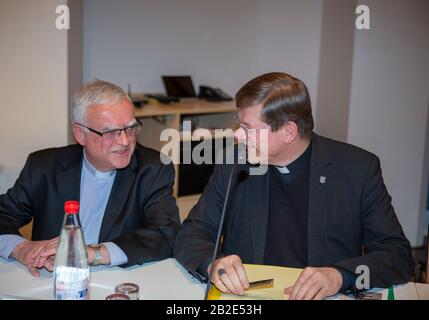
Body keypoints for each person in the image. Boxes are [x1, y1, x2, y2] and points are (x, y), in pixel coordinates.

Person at [174, 72, 415, 300]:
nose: (237, 136)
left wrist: (340, 276)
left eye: (248, 128)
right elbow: (191, 233)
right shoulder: (234, 163)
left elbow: (398, 257)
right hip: (249, 297)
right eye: (239, 125)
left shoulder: (357, 170)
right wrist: (213, 263)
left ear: (288, 131)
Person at [0, 80, 180, 276]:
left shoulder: (153, 169)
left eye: (130, 128)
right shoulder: (44, 167)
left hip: (118, 280)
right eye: (111, 132)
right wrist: (21, 248)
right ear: (80, 133)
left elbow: (166, 234)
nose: (125, 141)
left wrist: (94, 253)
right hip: (51, 280)